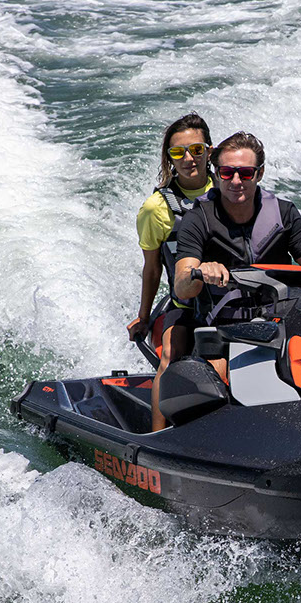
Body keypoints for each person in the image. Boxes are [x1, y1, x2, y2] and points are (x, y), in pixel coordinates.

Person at [174, 131, 301, 335]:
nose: (236, 181)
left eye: (246, 173)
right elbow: (183, 286)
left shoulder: (284, 213)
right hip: (221, 328)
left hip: (280, 323)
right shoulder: (198, 218)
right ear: (217, 173)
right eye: (227, 173)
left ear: (260, 173)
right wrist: (202, 271)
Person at [128, 113, 214, 430]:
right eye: (178, 153)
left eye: (196, 149)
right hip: (186, 304)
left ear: (210, 151)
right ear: (169, 158)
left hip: (235, 300)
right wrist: (144, 315)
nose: (188, 159)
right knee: (170, 354)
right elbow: (152, 269)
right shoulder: (156, 209)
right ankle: (158, 439)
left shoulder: (231, 192)